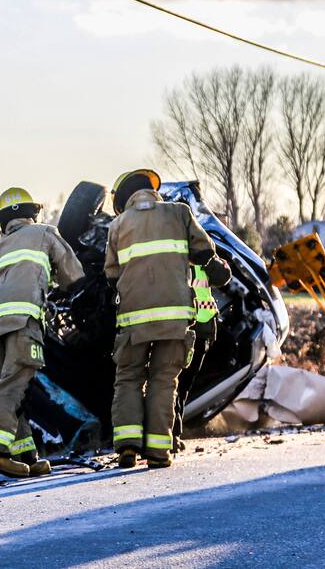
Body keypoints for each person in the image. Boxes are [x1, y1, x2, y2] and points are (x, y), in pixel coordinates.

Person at [105, 170, 228, 468]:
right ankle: (159, 452)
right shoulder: (180, 213)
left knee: (129, 379)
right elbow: (203, 252)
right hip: (175, 318)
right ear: (152, 190)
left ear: (123, 200)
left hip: (134, 320)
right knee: (164, 380)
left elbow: (110, 274)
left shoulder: (118, 224)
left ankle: (127, 447)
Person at [0, 187, 84, 477]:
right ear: (33, 214)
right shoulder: (45, 233)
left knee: (12, 388)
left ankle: (25, 454)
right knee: (16, 381)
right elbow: (74, 276)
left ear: (2, 222)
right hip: (24, 318)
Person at [171, 258, 231, 452]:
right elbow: (223, 275)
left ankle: (172, 434)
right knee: (176, 384)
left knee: (179, 384)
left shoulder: (197, 252)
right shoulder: (198, 249)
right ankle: (169, 435)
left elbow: (223, 276)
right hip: (193, 327)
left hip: (191, 327)